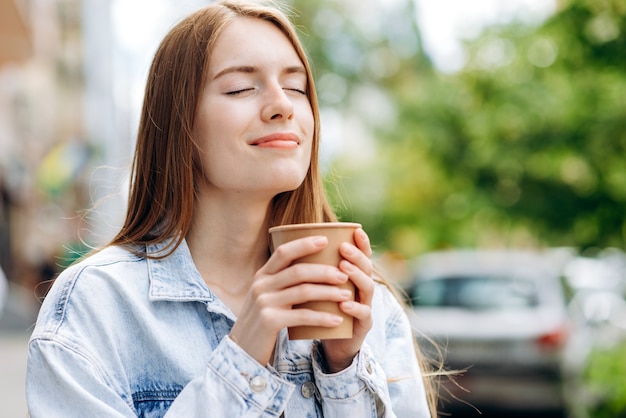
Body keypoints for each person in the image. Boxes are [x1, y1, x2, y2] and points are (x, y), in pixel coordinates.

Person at [26, 1, 436, 416]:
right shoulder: (99, 304)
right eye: (241, 88)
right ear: (179, 124)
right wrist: (241, 359)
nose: (283, 106)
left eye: (296, 87)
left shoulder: (369, 306)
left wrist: (342, 371)